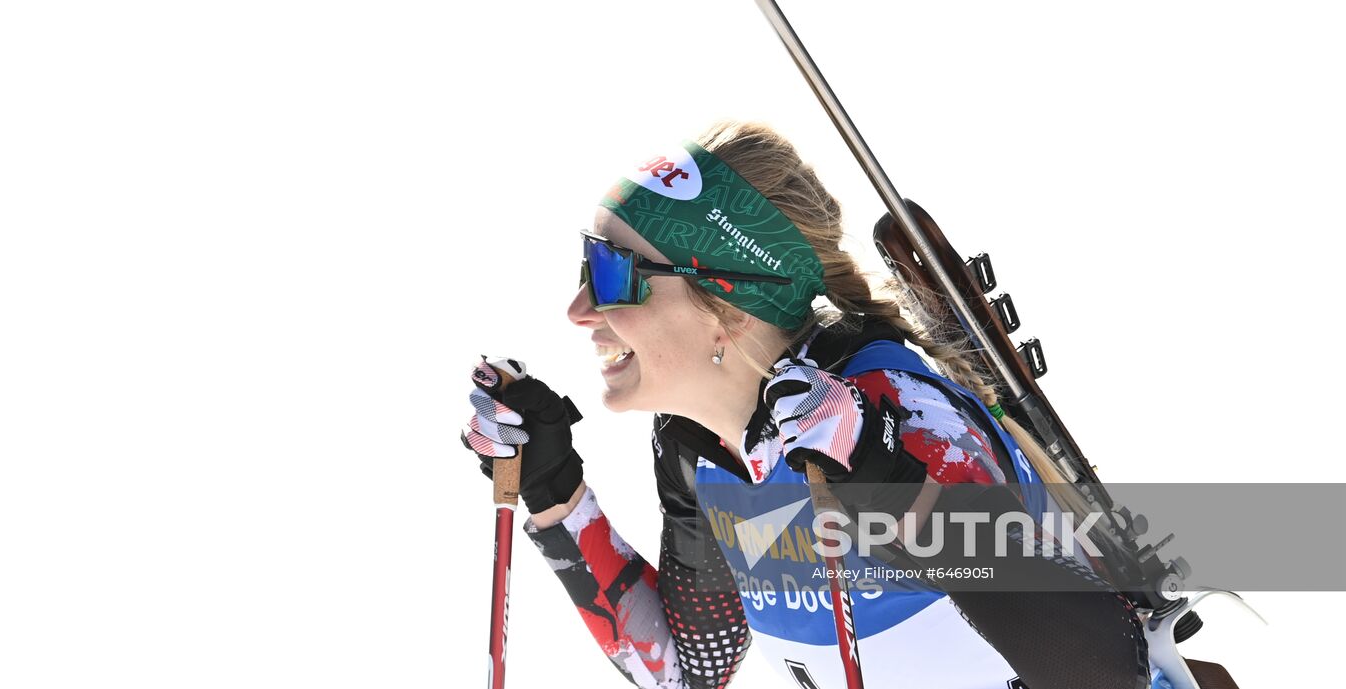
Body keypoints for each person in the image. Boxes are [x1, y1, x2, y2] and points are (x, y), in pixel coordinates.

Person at [461, 121, 1147, 689]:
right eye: (588, 266)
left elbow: (1106, 674)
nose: (581, 309)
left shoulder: (893, 409)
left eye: (614, 273)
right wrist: (554, 490)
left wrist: (891, 486)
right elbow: (690, 668)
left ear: (726, 302)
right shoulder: (698, 448)